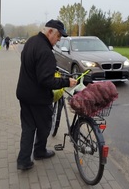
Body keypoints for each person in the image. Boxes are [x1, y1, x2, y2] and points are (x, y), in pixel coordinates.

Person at [16, 19, 77, 170]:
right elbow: (46, 81)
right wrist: (66, 82)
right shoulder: (45, 51)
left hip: (24, 94)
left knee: (28, 127)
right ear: (49, 32)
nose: (58, 41)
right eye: (58, 37)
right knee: (44, 127)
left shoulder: (30, 42)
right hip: (38, 98)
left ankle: (23, 160)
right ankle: (39, 151)